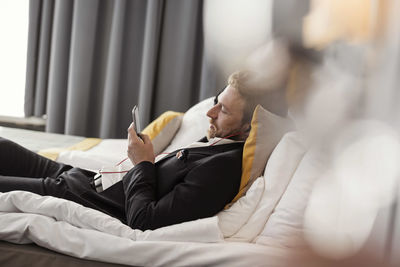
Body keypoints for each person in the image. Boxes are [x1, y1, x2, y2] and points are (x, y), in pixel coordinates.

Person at [0, 68, 289, 230]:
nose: (210, 112)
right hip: (82, 177)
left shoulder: (222, 170)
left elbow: (144, 219)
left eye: (223, 110)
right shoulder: (218, 143)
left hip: (78, 196)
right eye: (216, 100)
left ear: (250, 126)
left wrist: (142, 164)